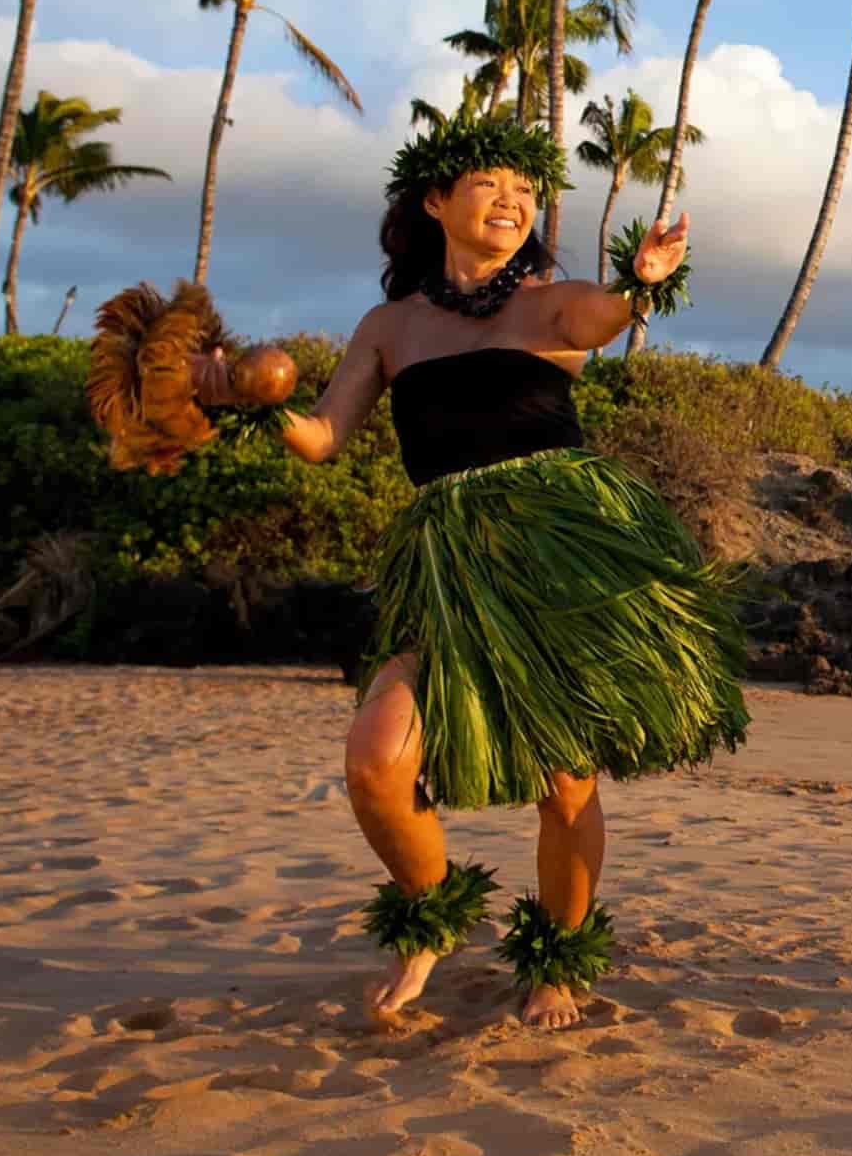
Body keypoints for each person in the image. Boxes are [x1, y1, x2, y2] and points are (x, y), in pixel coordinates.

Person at [191, 112, 746, 1030]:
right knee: (376, 756)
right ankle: (431, 911)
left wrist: (640, 282)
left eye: (527, 193)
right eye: (490, 183)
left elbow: (601, 319)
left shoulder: (549, 303)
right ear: (436, 200)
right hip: (447, 564)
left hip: (557, 554)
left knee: (566, 779)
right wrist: (245, 406)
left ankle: (559, 962)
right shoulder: (391, 325)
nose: (512, 201)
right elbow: (325, 436)